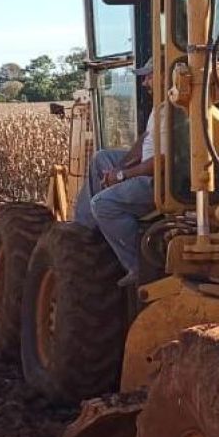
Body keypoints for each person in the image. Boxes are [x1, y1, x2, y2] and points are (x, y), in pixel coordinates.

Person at [73, 58, 164, 287]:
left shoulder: (175, 111)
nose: (145, 82)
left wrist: (122, 176)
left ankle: (138, 266)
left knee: (103, 205)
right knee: (101, 158)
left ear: (164, 75)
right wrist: (120, 166)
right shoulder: (161, 106)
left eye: (149, 75)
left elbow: (161, 162)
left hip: (158, 181)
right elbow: (146, 139)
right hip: (146, 167)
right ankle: (83, 234)